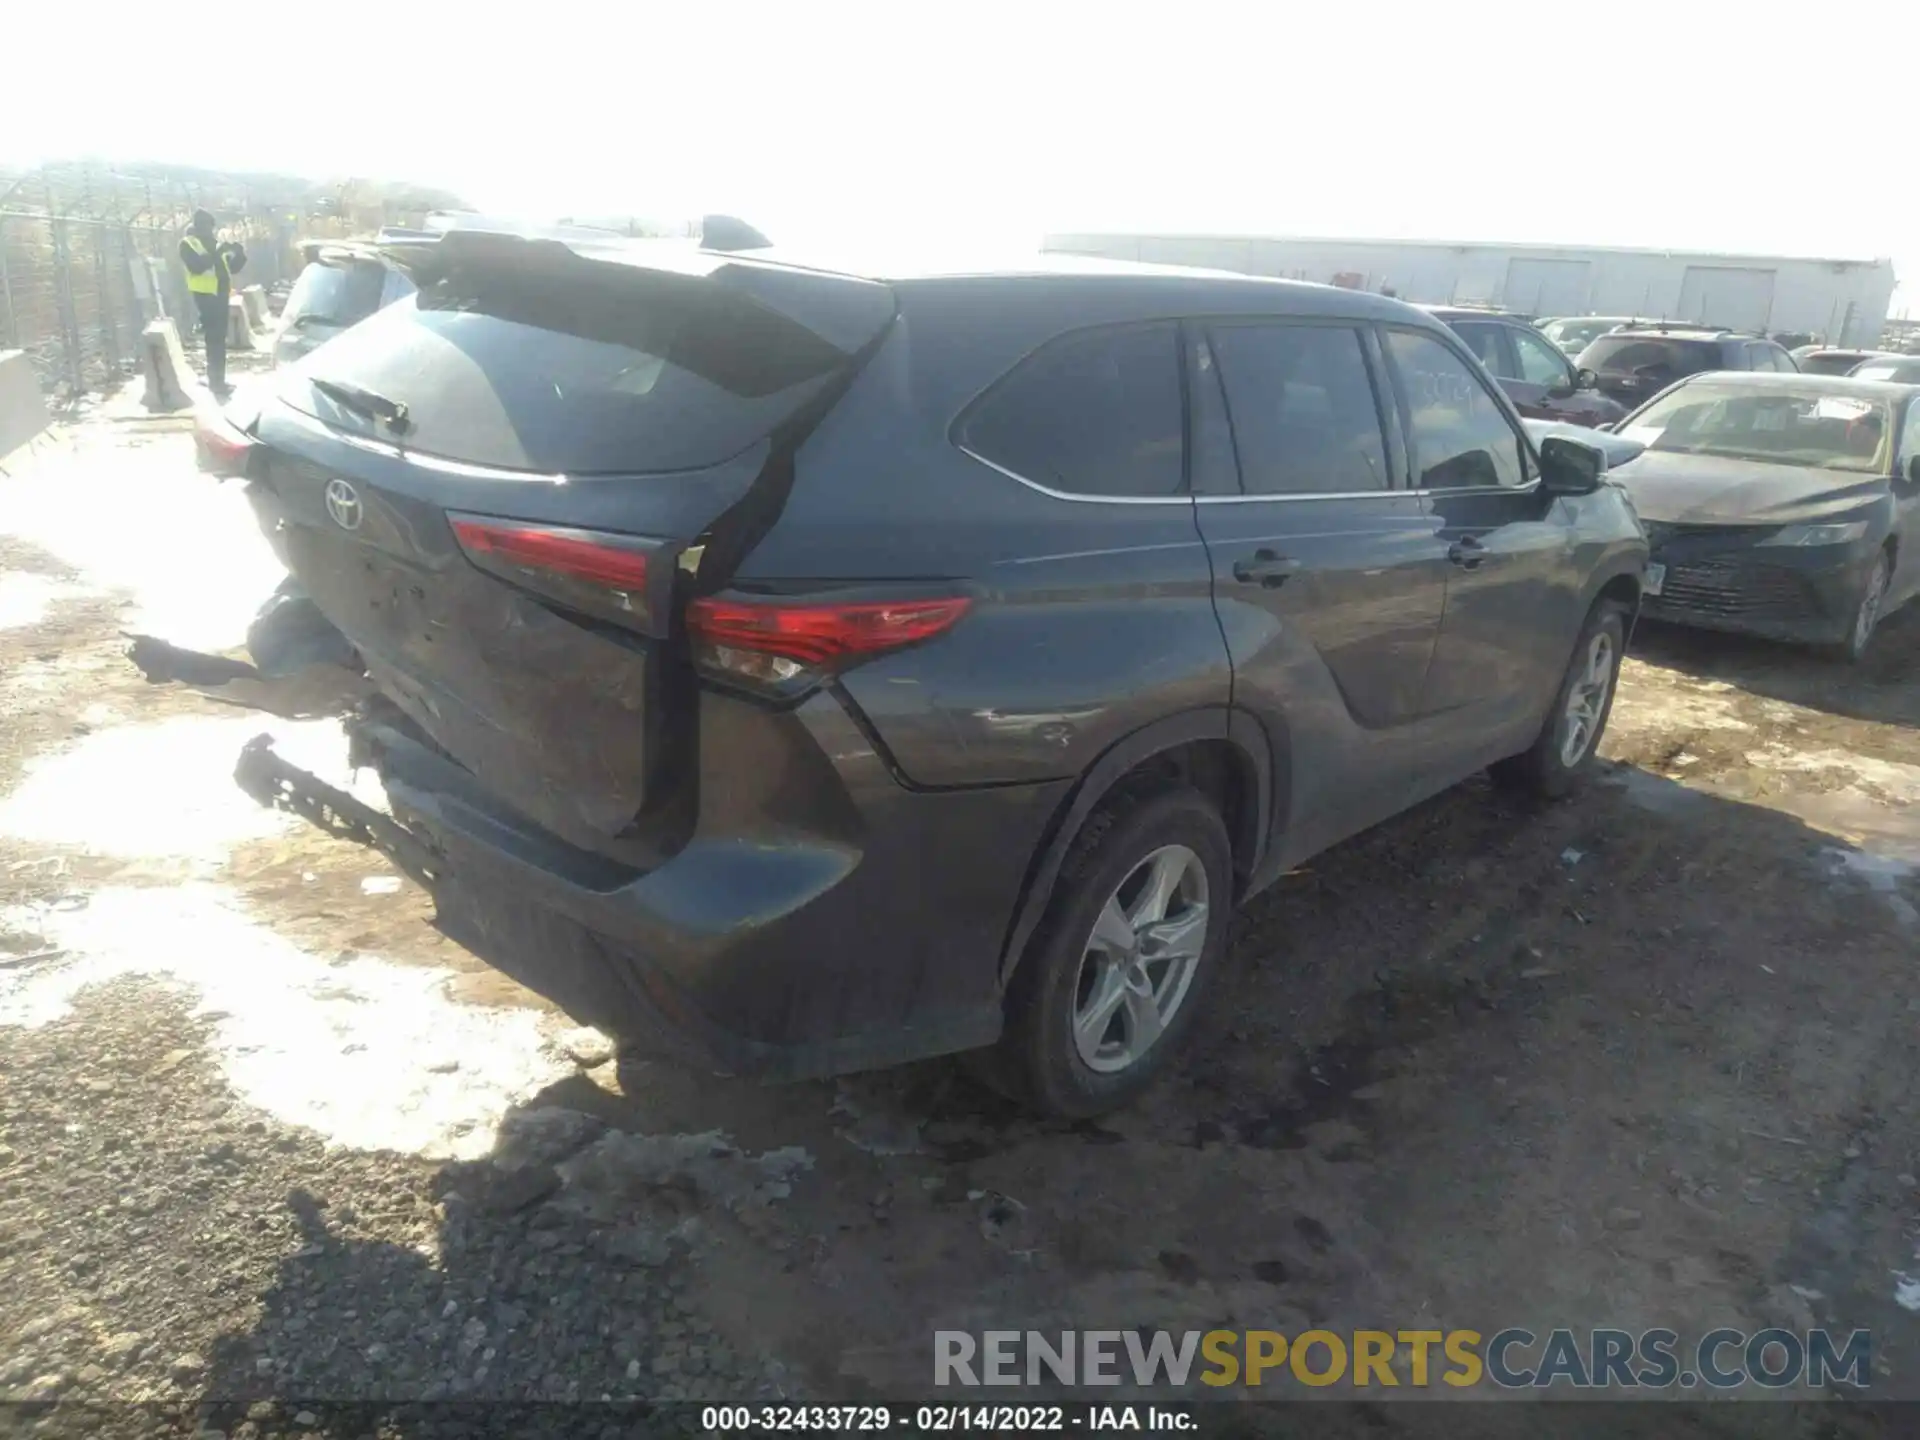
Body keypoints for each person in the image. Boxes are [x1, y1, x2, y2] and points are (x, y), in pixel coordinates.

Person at [179, 210, 247, 398]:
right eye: (207, 226)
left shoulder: (215, 244)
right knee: (214, 336)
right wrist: (218, 251)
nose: (210, 230)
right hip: (205, 295)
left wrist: (239, 252)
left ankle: (218, 379)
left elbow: (233, 268)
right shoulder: (188, 244)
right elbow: (197, 266)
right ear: (198, 226)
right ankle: (215, 380)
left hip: (221, 294)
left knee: (219, 337)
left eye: (211, 226)